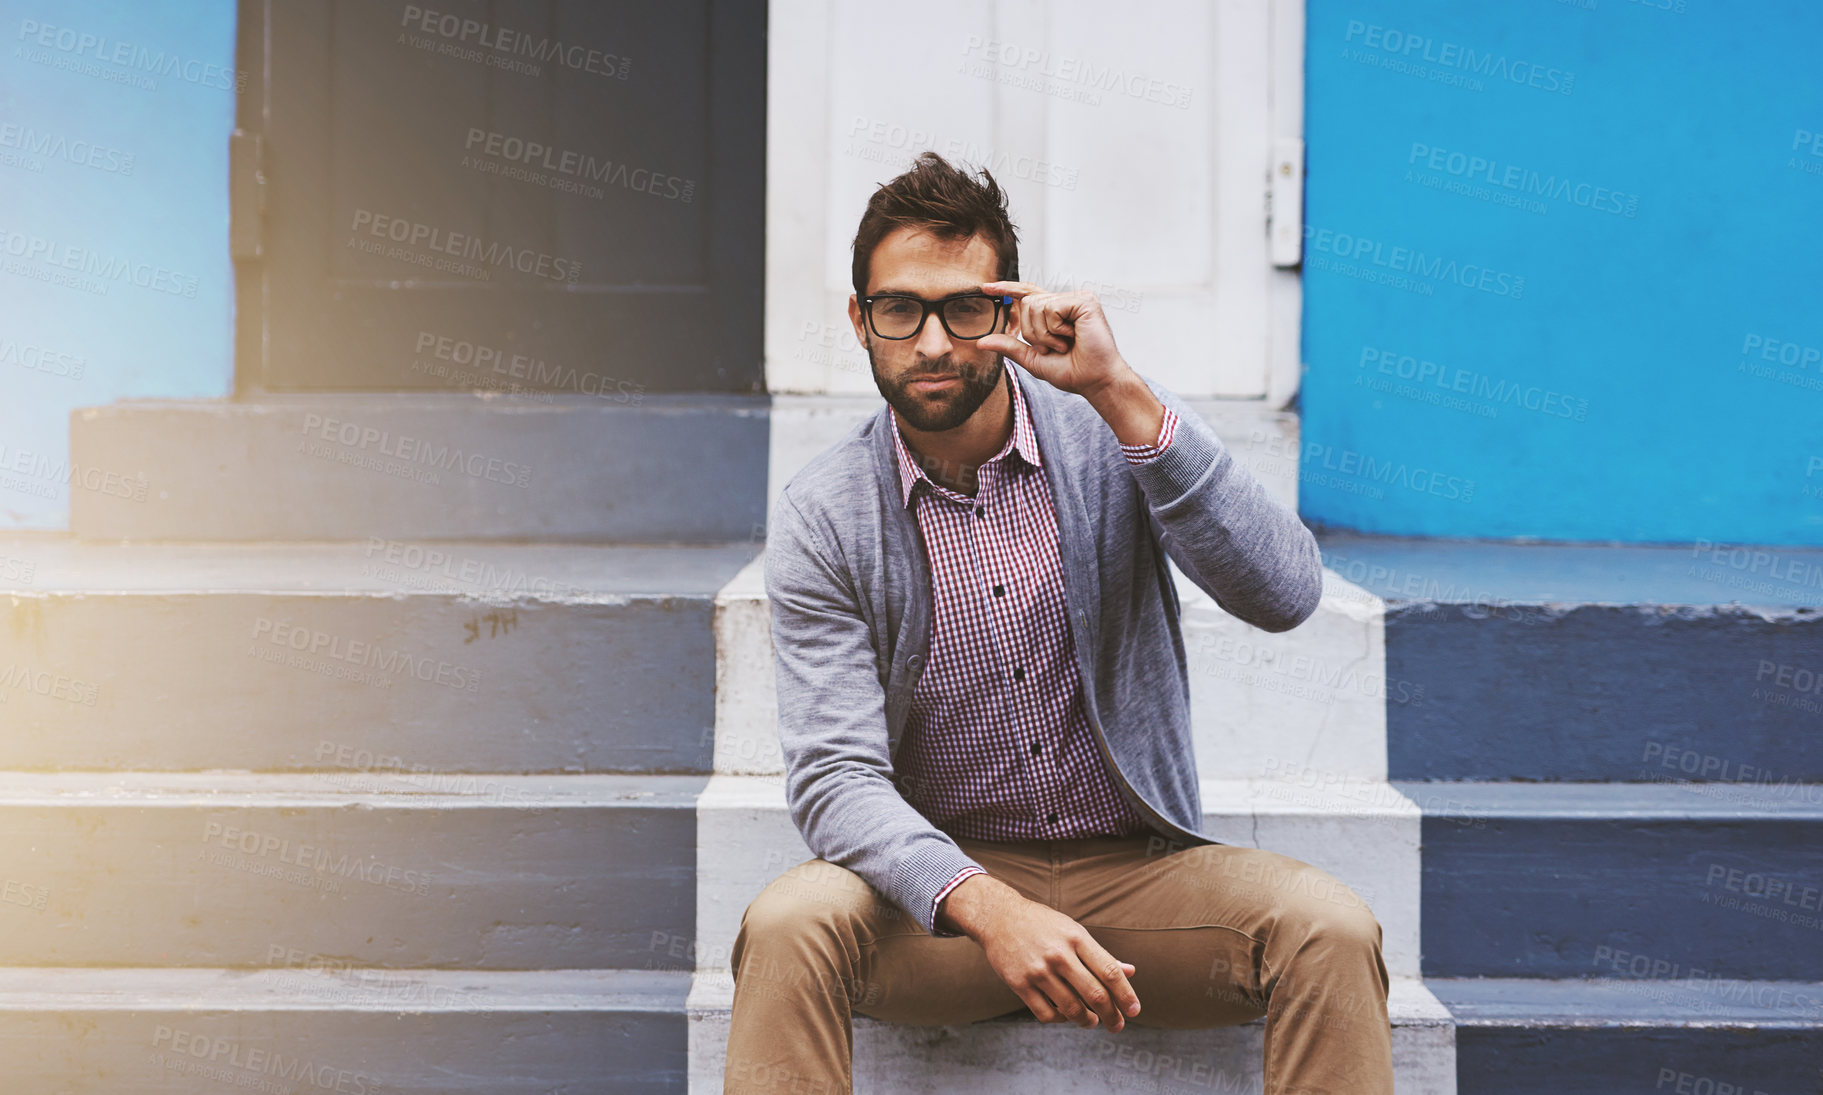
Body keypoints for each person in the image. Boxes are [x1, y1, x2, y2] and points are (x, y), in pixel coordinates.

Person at [724, 151, 1393, 1095]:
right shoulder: (825, 511)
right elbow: (835, 777)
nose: (930, 343)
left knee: (1329, 928)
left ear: (1005, 312)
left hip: (1139, 884)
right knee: (790, 926)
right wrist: (987, 907)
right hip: (939, 913)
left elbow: (1284, 592)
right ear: (858, 319)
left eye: (964, 308)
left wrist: (1121, 392)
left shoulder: (1104, 434)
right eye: (898, 309)